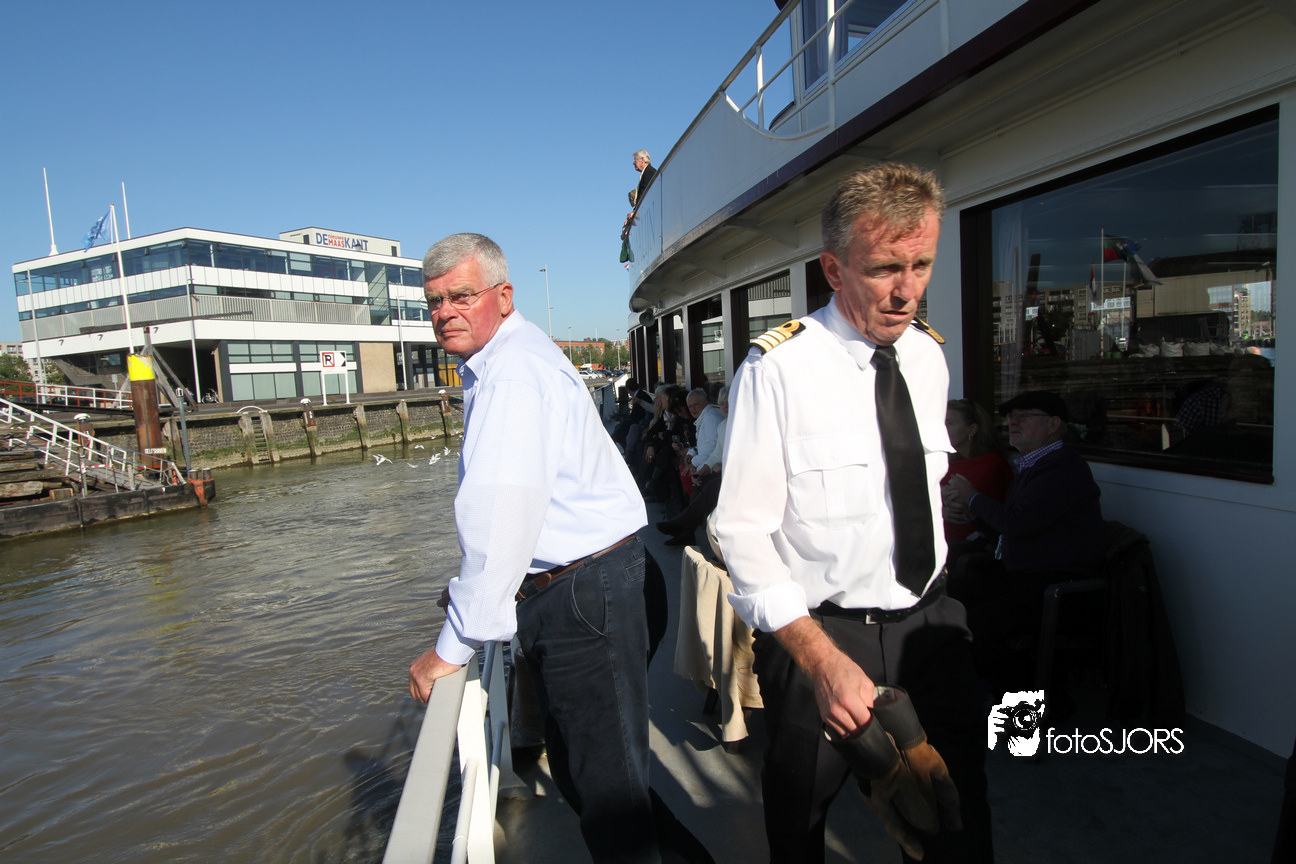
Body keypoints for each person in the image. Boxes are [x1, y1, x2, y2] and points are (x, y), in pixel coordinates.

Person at [713, 163, 993, 864]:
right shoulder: (778, 370)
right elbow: (740, 530)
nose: (907, 290)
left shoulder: (927, 357)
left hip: (931, 624)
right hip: (824, 633)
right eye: (884, 268)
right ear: (834, 269)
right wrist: (819, 661)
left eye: (922, 265)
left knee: (955, 820)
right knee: (799, 826)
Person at [406, 233, 665, 863]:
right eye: (434, 301)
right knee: (589, 777)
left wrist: (451, 646)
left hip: (587, 595)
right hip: (592, 583)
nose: (445, 312)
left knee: (612, 801)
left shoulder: (511, 374)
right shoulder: (510, 359)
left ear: (503, 296)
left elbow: (502, 517)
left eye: (461, 296)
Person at [945, 390, 1105, 694]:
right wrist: (971, 515)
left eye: (1024, 417)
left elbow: (1019, 524)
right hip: (1024, 577)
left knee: (967, 627)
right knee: (947, 603)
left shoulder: (1062, 465)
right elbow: (1013, 529)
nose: (1013, 423)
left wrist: (973, 498)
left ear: (1053, 424)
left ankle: (1030, 706)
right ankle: (980, 697)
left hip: (1056, 587)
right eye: (1010, 417)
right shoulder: (1033, 464)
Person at [941, 399, 1013, 566]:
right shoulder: (943, 463)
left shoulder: (990, 466)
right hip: (943, 546)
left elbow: (989, 516)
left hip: (972, 555)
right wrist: (941, 511)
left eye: (949, 423)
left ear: (972, 430)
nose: (943, 429)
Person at [656, 385, 728, 547]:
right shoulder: (722, 425)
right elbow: (715, 452)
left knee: (709, 484)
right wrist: (700, 471)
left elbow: (713, 451)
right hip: (721, 469)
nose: (725, 407)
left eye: (696, 404)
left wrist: (698, 465)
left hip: (735, 475)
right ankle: (686, 531)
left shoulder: (713, 419)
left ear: (706, 403)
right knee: (698, 479)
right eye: (722, 403)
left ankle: (682, 524)